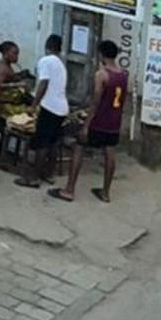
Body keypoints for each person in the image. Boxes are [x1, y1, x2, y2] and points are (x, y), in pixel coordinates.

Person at [49, 38, 126, 203]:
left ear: (101, 54)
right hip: (114, 122)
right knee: (110, 154)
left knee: (79, 148)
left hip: (99, 121)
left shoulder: (102, 75)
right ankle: (105, 193)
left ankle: (69, 190)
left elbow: (96, 100)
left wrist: (86, 124)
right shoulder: (123, 75)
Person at [17, 32, 69, 188]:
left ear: (47, 46)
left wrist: (34, 105)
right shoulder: (61, 65)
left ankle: (33, 178)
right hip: (62, 108)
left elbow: (43, 84)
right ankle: (48, 174)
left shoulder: (45, 61)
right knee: (53, 142)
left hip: (50, 108)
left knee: (42, 143)